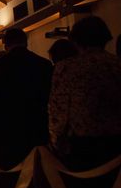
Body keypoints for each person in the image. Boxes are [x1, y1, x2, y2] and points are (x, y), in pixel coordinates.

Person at [49, 16, 121, 167]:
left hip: (82, 141)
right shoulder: (116, 63)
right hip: (116, 138)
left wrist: (56, 139)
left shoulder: (66, 67)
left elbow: (59, 107)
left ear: (76, 41)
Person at [0, 28, 53, 163]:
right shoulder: (43, 64)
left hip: (9, 125)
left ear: (5, 44)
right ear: (26, 42)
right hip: (37, 122)